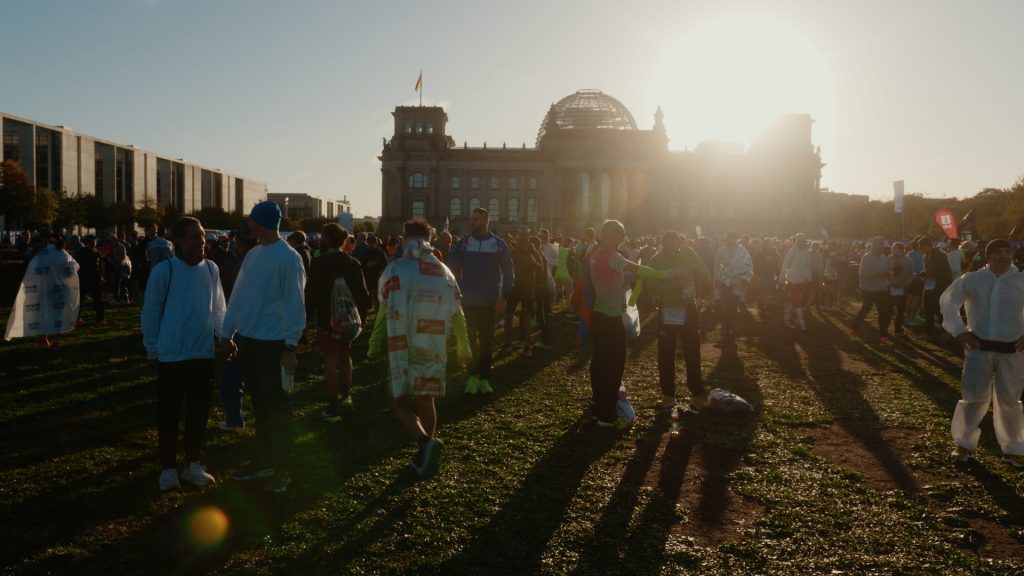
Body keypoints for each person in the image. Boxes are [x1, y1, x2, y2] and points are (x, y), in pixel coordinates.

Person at [367, 219, 471, 480]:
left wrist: (373, 343)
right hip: (433, 345)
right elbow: (458, 311)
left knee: (398, 400)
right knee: (426, 398)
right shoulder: (444, 271)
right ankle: (426, 449)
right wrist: (463, 345)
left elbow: (382, 309)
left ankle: (426, 444)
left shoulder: (396, 269)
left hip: (401, 344)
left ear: (404, 238)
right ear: (430, 239)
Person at [221, 200, 306, 493]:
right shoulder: (253, 255)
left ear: (260, 223)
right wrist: (227, 333)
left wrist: (290, 346)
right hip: (249, 341)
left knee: (277, 408)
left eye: (251, 220)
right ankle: (264, 459)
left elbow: (296, 303)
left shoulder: (289, 258)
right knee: (259, 404)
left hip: (275, 345)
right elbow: (239, 297)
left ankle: (283, 467)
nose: (248, 224)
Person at [141, 217, 226, 491]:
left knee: (198, 413)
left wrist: (224, 338)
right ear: (178, 241)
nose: (201, 241)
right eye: (193, 236)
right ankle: (168, 469)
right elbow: (150, 313)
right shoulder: (165, 271)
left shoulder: (212, 269)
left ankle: (192, 465)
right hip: (172, 355)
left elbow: (219, 310)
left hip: (203, 355)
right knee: (169, 415)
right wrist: (152, 349)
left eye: (202, 236)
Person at [939, 239, 1024, 469]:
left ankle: (1014, 449)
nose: (1004, 256)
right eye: (998, 252)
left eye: (1008, 251)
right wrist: (959, 332)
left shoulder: (1021, 280)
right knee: (973, 398)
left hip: (1012, 350)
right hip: (979, 348)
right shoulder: (973, 279)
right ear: (988, 256)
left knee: (1010, 401)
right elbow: (948, 302)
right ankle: (963, 444)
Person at [585, 220, 675, 429]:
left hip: (599, 315)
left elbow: (615, 275)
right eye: (620, 233)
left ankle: (599, 409)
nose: (623, 238)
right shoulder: (611, 255)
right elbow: (639, 268)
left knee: (599, 362)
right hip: (609, 318)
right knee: (614, 364)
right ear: (610, 234)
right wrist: (667, 273)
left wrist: (632, 276)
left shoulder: (596, 254)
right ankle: (607, 415)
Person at [305, 223, 370, 420]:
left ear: (329, 239)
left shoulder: (319, 264)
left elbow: (311, 296)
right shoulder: (353, 263)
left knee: (330, 360)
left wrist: (305, 322)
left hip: (327, 320)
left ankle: (334, 403)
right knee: (344, 355)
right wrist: (362, 318)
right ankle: (346, 396)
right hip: (348, 319)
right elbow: (363, 295)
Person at [448, 207, 514, 394]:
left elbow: (509, 272)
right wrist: (454, 290)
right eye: (471, 219)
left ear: (486, 221)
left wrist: (504, 297)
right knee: (469, 340)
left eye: (476, 219)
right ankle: (471, 376)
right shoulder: (463, 243)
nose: (472, 222)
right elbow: (452, 268)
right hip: (467, 302)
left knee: (487, 341)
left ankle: (484, 378)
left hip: (489, 302)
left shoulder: (499, 244)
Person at [647, 231, 711, 411]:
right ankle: (668, 395)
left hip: (688, 309)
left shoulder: (689, 253)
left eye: (676, 244)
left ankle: (697, 395)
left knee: (693, 352)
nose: (673, 248)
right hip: (667, 311)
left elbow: (705, 274)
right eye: (668, 244)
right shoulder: (656, 260)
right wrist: (677, 280)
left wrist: (692, 268)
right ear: (663, 243)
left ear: (680, 243)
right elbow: (653, 289)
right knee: (665, 354)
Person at [4, 234, 80, 348]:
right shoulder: (64, 255)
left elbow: (33, 273)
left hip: (46, 290)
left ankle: (43, 339)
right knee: (58, 317)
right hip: (62, 291)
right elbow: (72, 270)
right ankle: (56, 342)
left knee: (43, 314)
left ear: (48, 242)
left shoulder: (41, 256)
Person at [216, 228, 256, 431]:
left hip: (240, 325)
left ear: (239, 242)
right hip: (260, 325)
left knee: (233, 378)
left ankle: (234, 419)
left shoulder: (236, 263)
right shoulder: (262, 260)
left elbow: (223, 291)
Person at [502, 229, 546, 357]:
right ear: (518, 237)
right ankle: (508, 344)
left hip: (527, 289)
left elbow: (541, 268)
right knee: (508, 316)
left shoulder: (534, 251)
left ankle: (528, 346)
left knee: (526, 318)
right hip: (513, 288)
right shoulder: (513, 252)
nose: (524, 238)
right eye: (521, 235)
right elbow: (505, 268)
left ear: (529, 237)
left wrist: (534, 263)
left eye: (526, 235)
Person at [850, 237, 893, 345]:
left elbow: (884, 271)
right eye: (882, 245)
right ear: (876, 246)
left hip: (882, 289)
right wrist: (879, 273)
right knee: (865, 309)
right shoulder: (867, 257)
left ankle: (883, 335)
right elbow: (864, 274)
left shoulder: (883, 257)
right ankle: (855, 328)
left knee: (884, 312)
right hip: (869, 289)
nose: (884, 248)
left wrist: (888, 274)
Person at [713, 232, 753, 337]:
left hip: (738, 282)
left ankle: (730, 326)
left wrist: (743, 274)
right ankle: (726, 327)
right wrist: (718, 278)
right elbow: (716, 264)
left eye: (732, 238)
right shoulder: (721, 250)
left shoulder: (742, 250)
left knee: (733, 305)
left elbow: (748, 263)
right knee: (727, 304)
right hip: (725, 281)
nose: (730, 240)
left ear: (735, 239)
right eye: (728, 238)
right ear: (726, 239)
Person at [920, 236, 953, 335]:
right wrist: (923, 274)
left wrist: (947, 288)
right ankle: (929, 331)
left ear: (927, 245)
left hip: (940, 287)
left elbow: (947, 273)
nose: (920, 248)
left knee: (940, 311)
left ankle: (945, 332)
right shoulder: (925, 257)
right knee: (927, 310)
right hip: (929, 286)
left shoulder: (940, 256)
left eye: (921, 246)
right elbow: (928, 271)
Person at [780, 233, 814, 331]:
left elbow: (808, 267)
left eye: (803, 240)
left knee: (796, 302)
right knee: (798, 302)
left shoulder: (806, 252)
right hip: (792, 281)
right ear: (796, 241)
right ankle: (802, 323)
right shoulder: (792, 252)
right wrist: (782, 278)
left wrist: (809, 279)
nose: (802, 242)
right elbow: (785, 265)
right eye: (800, 240)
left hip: (802, 281)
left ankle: (786, 319)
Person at [883, 242, 915, 337]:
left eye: (895, 249)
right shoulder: (889, 258)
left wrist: (906, 283)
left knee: (900, 309)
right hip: (890, 286)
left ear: (901, 250)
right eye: (892, 249)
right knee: (888, 309)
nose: (893, 251)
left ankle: (898, 329)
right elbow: (885, 270)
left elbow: (911, 274)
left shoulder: (908, 260)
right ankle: (884, 328)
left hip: (902, 287)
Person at [74, 235, 105, 326]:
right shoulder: (81, 252)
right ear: (89, 243)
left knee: (97, 300)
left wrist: (100, 276)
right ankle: (77, 319)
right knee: (80, 301)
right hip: (84, 279)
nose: (94, 244)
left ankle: (100, 319)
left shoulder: (96, 252)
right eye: (93, 242)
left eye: (94, 242)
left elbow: (99, 266)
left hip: (92, 279)